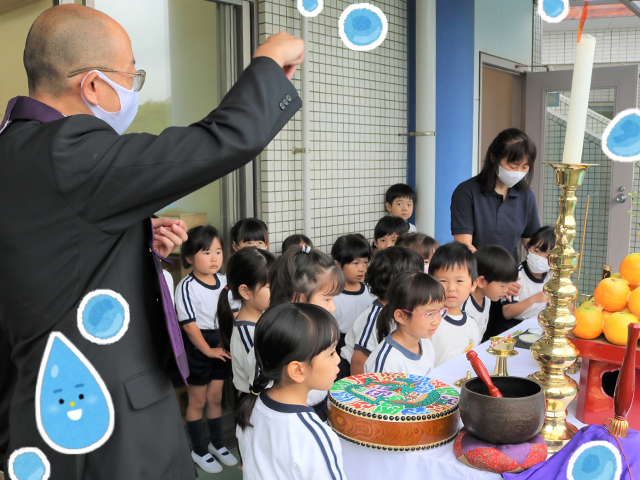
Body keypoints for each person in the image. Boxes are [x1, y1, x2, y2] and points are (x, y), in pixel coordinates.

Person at [0, 3, 305, 477]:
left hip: (35, 406)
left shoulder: (14, 151)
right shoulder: (68, 151)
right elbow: (221, 140)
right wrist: (267, 65)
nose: (133, 90)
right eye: (132, 76)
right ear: (94, 84)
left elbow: (52, 265)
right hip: (107, 419)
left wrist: (134, 236)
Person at [236, 303, 346, 480]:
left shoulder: (250, 408)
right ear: (298, 370)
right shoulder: (315, 436)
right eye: (332, 353)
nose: (338, 359)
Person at [450, 128, 540, 340]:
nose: (518, 171)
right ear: (494, 158)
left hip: (508, 288)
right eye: (513, 165)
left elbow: (533, 244)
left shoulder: (526, 196)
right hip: (477, 286)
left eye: (524, 166)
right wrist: (496, 281)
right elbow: (465, 246)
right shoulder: (467, 192)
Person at [175, 226, 236, 473]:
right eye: (207, 252)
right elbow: (189, 325)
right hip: (198, 345)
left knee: (215, 398)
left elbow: (232, 313)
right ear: (189, 258)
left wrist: (222, 342)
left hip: (221, 342)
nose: (214, 258)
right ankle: (199, 449)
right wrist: (208, 350)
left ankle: (218, 445)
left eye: (218, 251)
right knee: (197, 401)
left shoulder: (224, 282)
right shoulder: (186, 286)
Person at [268, 245, 344, 420]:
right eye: (327, 298)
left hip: (319, 404)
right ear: (299, 297)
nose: (333, 307)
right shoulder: (279, 337)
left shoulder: (314, 327)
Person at [341, 247, 424, 375]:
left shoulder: (402, 309)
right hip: (354, 375)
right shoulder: (374, 317)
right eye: (417, 279)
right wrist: (361, 393)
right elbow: (358, 361)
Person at [217, 247, 276, 400]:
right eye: (271, 286)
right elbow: (260, 383)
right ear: (245, 291)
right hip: (257, 405)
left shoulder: (258, 320)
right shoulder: (250, 334)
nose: (278, 290)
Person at [365, 272, 445, 376]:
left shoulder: (426, 345)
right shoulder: (388, 362)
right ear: (401, 316)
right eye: (430, 314)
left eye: (440, 311)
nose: (437, 320)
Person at [429, 242, 481, 366]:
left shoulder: (472, 324)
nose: (451, 288)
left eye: (459, 281)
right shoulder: (428, 323)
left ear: (474, 284)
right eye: (443, 281)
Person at [330, 235, 376, 357]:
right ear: (338, 265)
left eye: (365, 262)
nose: (362, 268)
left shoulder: (370, 291)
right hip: (340, 344)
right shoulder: (333, 296)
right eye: (355, 263)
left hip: (365, 342)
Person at [502, 226, 555, 324]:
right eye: (536, 251)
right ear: (528, 247)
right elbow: (507, 312)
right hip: (515, 327)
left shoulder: (552, 275)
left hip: (539, 325)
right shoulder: (516, 275)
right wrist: (534, 299)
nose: (539, 257)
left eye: (547, 256)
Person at [469, 245, 519, 341]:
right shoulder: (464, 306)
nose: (506, 290)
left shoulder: (487, 298)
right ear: (482, 281)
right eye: (502, 286)